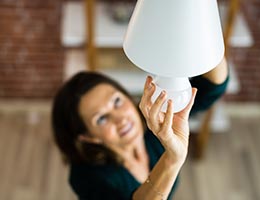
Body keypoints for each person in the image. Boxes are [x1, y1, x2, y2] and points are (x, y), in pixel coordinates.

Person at [51, 57, 228, 200]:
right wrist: (172, 160)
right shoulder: (87, 177)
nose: (121, 119)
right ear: (88, 137)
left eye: (117, 101)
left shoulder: (153, 120)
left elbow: (213, 85)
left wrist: (206, 40)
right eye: (102, 118)